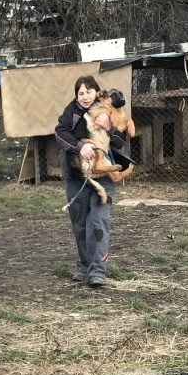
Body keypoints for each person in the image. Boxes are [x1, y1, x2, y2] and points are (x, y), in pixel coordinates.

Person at [54, 75, 128, 287]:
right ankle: (84, 264)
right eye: (81, 93)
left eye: (89, 91)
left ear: (97, 91)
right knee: (79, 222)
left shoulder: (108, 108)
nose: (85, 96)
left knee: (97, 221)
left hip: (104, 174)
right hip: (77, 172)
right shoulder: (72, 112)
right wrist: (80, 145)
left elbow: (121, 142)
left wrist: (109, 127)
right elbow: (60, 132)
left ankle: (97, 270)